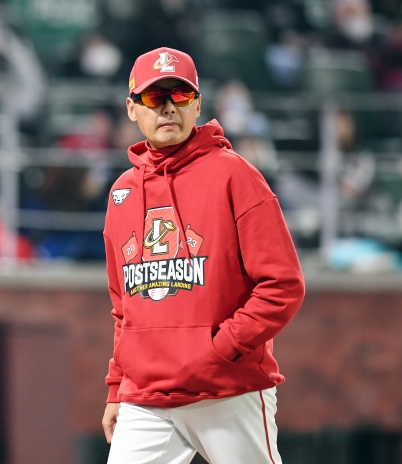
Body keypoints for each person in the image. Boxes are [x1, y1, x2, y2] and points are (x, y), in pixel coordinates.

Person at [101, 47, 305, 464]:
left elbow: (282, 286)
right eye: (155, 97)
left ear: (197, 104)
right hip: (146, 396)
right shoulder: (122, 192)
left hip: (227, 390)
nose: (169, 108)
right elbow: (125, 307)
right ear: (132, 108)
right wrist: (117, 386)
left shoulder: (235, 174)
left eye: (180, 95)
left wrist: (220, 350)